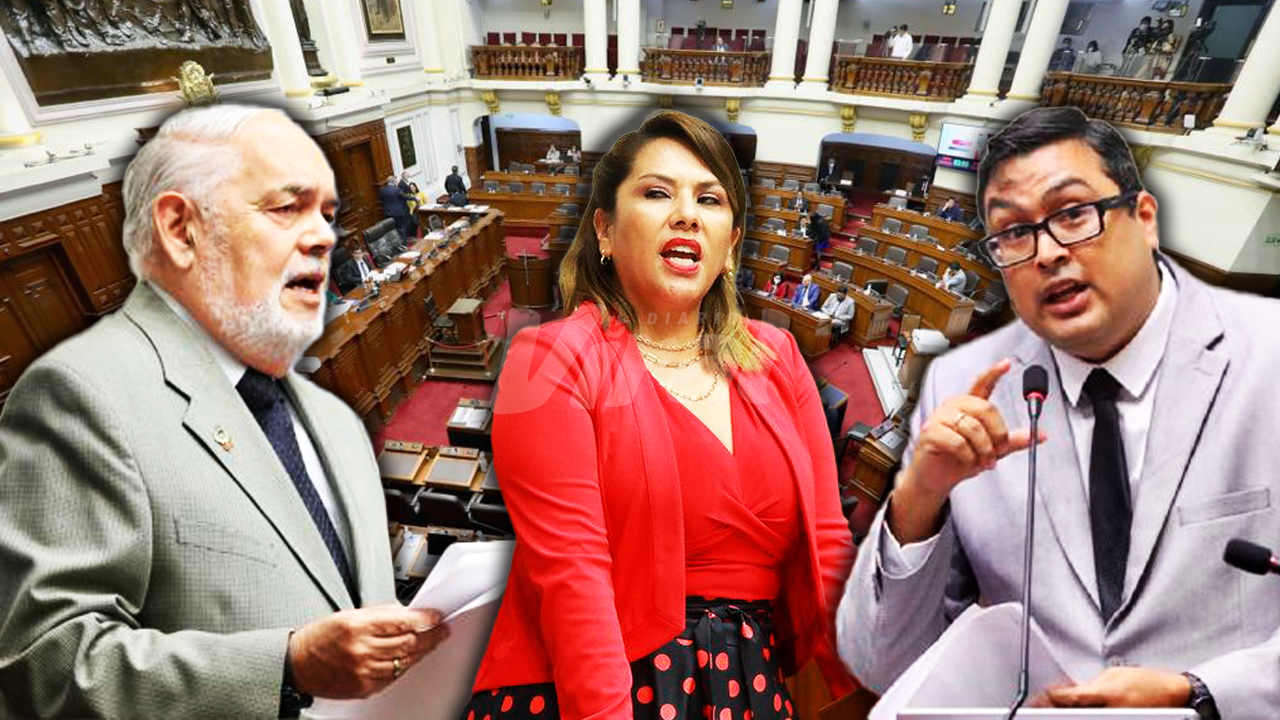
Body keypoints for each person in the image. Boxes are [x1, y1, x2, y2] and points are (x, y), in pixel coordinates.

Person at [0, 105, 448, 717]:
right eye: (285, 209)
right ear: (181, 229)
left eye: (325, 214)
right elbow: (44, 662)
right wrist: (284, 667)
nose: (324, 238)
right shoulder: (79, 394)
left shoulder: (333, 420)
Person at [839, 106, 1280, 718]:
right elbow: (884, 662)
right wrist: (919, 497)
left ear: (1144, 219)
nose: (1045, 253)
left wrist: (1201, 693)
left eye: (1073, 213)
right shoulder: (963, 389)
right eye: (1013, 233)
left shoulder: (1267, 357)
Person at [464, 110, 856, 720]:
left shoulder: (776, 354)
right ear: (605, 229)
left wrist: (866, 684)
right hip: (608, 680)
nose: (687, 214)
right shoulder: (550, 358)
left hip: (753, 683)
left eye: (710, 199)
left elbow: (828, 540)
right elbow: (573, 576)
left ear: (730, 243)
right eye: (656, 193)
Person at [378, 174, 414, 241]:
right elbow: (405, 197)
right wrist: (414, 198)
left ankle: (396, 242)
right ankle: (403, 242)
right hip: (398, 213)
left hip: (388, 213)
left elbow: (380, 199)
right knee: (402, 228)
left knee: (392, 229)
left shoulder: (382, 190)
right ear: (394, 182)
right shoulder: (397, 189)